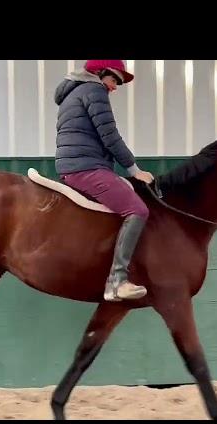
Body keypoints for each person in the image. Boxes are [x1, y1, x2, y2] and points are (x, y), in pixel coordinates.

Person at [54, 60, 154, 302]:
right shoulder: (94, 90)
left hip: (75, 165)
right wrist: (134, 169)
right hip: (86, 167)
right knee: (138, 210)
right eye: (114, 80)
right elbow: (110, 136)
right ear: (100, 73)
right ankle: (117, 281)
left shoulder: (73, 92)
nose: (115, 86)